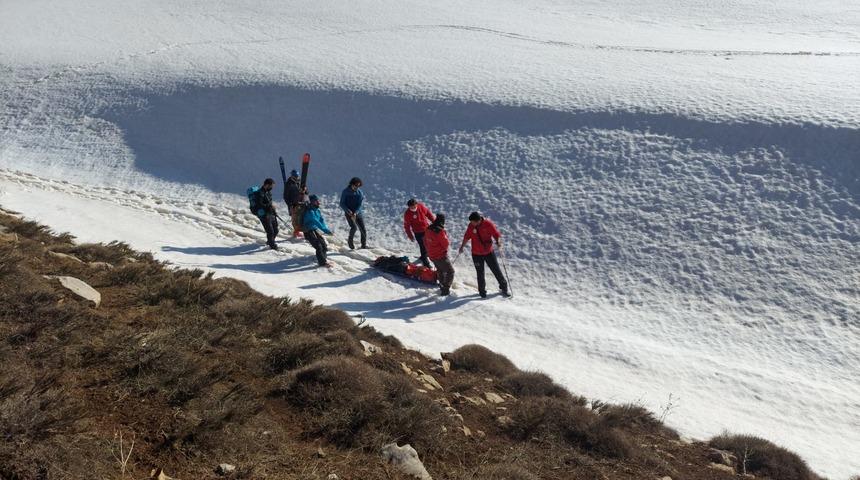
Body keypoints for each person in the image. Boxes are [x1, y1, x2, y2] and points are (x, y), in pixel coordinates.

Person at [458, 211, 509, 298]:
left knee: (496, 270)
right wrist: (462, 247)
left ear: (478, 221)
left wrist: (498, 242)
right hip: (476, 253)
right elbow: (467, 236)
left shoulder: (488, 224)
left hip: (488, 252)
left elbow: (496, 234)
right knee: (480, 273)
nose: (471, 223)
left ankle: (504, 288)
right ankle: (482, 292)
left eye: (473, 222)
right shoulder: (471, 226)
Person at [424, 213, 454, 296]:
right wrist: (443, 250)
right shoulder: (439, 231)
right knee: (450, 271)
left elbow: (425, 241)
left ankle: (441, 284)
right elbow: (446, 243)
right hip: (440, 255)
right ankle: (446, 288)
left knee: (440, 269)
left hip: (431, 255)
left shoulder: (428, 228)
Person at [302, 194, 334, 267]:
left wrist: (326, 229)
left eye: (318, 200)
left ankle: (323, 259)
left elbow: (321, 220)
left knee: (324, 245)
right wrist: (327, 231)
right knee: (318, 246)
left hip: (314, 229)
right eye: (316, 201)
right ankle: (322, 263)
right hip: (308, 231)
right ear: (312, 202)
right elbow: (317, 222)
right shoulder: (310, 212)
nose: (318, 202)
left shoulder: (317, 210)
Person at [403, 198, 435, 267]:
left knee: (428, 243)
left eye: (414, 206)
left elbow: (428, 213)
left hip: (426, 229)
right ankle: (425, 262)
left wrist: (433, 221)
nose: (413, 208)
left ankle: (424, 255)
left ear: (416, 204)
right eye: (411, 207)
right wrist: (410, 236)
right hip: (418, 232)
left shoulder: (421, 206)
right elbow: (407, 226)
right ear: (409, 207)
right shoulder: (407, 214)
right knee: (422, 245)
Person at [339, 177, 367, 249]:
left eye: (358, 186)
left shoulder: (360, 192)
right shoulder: (345, 192)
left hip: (357, 213)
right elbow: (342, 203)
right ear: (351, 184)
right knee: (354, 227)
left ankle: (363, 245)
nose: (357, 187)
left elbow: (359, 204)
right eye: (355, 186)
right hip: (349, 213)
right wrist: (348, 211)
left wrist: (356, 212)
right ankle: (350, 241)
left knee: (363, 229)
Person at [254, 178, 279, 250]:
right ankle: (272, 246)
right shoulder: (260, 193)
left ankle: (270, 241)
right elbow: (259, 204)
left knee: (276, 230)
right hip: (264, 215)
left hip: (271, 213)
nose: (272, 188)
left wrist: (273, 209)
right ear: (267, 185)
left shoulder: (268, 192)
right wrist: (269, 206)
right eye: (271, 186)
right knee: (270, 231)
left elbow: (269, 202)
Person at [283, 169, 305, 238]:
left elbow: (303, 192)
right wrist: (290, 204)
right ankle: (296, 232)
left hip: (299, 203)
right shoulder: (289, 184)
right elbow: (285, 196)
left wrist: (304, 191)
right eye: (295, 176)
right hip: (292, 204)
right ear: (292, 176)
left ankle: (299, 230)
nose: (297, 177)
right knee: (294, 218)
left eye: (297, 176)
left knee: (300, 217)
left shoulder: (298, 182)